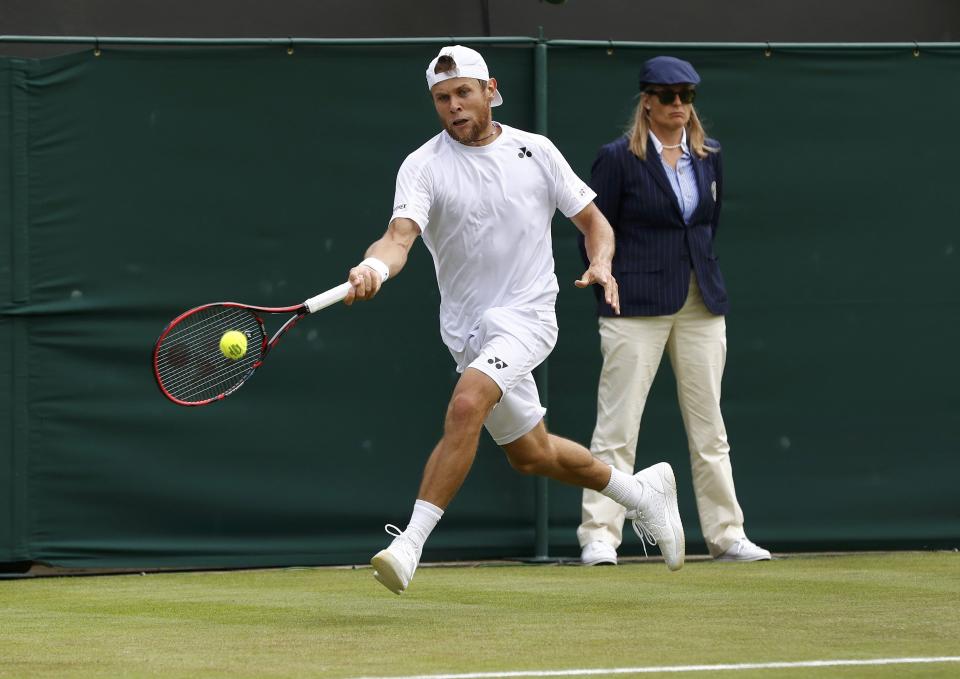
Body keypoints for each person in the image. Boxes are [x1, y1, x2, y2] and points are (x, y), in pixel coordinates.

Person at [344, 45, 686, 594]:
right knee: (534, 454)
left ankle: (408, 546)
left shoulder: (536, 151)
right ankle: (642, 495)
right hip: (468, 330)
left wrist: (601, 262)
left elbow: (595, 221)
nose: (453, 106)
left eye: (462, 93)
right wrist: (372, 268)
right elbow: (398, 238)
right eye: (441, 98)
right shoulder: (422, 165)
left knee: (466, 403)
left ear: (489, 90)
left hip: (528, 316)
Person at [577, 56, 771, 566]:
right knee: (617, 428)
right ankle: (600, 535)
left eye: (686, 96)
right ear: (647, 102)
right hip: (635, 305)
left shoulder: (711, 156)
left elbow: (706, 227)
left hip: (701, 302)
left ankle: (727, 535)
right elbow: (596, 228)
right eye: (668, 97)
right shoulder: (616, 159)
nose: (679, 106)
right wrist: (609, 282)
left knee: (711, 429)